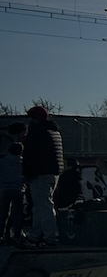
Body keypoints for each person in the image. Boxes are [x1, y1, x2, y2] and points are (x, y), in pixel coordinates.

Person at [21, 105, 65, 246]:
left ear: (35, 119)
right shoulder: (54, 132)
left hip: (40, 173)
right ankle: (36, 234)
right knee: (42, 205)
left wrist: (26, 174)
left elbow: (31, 156)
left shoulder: (36, 133)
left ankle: (48, 236)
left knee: (44, 206)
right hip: (53, 172)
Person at [0, 140, 24, 244]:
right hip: (18, 189)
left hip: (4, 189)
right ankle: (17, 234)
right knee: (17, 213)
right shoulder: (23, 162)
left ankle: (2, 234)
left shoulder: (3, 161)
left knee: (3, 213)